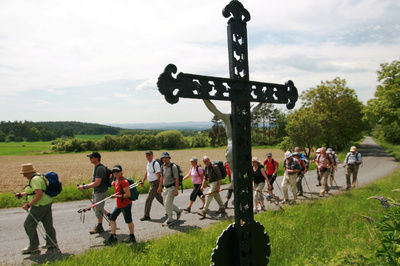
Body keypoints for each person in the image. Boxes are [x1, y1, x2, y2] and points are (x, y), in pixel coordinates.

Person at [14, 163, 58, 254]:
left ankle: (33, 246)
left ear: (29, 172)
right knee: (47, 223)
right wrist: (21, 194)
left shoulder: (34, 180)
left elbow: (39, 194)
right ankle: (52, 243)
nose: (24, 175)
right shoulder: (38, 177)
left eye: (25, 173)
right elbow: (35, 191)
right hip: (47, 202)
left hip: (40, 205)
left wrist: (29, 205)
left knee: (29, 224)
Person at [78, 151, 110, 234]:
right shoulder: (96, 167)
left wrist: (84, 187)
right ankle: (109, 215)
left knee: (98, 209)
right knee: (97, 206)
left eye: (91, 157)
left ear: (96, 158)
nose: (90, 159)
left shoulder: (99, 168)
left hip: (100, 191)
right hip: (97, 190)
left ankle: (100, 227)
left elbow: (97, 183)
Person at [104, 165, 136, 245]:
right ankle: (113, 236)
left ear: (121, 172)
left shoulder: (124, 182)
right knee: (112, 219)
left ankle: (132, 237)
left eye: (117, 171)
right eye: (114, 172)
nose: (115, 173)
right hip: (119, 205)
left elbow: (128, 195)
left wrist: (116, 196)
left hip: (126, 204)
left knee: (129, 221)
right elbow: (112, 183)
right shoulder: (116, 181)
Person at [157, 152, 182, 226]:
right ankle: (178, 211)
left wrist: (176, 190)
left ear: (169, 158)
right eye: (163, 158)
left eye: (166, 157)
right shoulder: (162, 167)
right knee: (166, 203)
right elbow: (161, 177)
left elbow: (176, 179)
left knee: (168, 203)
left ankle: (170, 219)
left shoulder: (173, 167)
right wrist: (159, 186)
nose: (164, 159)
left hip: (172, 187)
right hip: (165, 188)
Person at [140, 150, 164, 221]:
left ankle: (146, 216)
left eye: (149, 155)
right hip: (151, 183)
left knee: (148, 200)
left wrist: (160, 186)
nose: (148, 157)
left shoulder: (155, 164)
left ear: (152, 155)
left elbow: (159, 176)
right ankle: (174, 209)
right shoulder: (148, 163)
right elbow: (147, 173)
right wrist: (143, 181)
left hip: (155, 184)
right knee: (160, 199)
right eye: (147, 155)